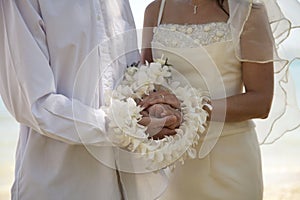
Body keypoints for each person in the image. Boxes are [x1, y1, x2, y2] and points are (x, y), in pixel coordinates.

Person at [0, 0, 181, 199]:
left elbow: (128, 73)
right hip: (61, 185)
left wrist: (155, 108)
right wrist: (123, 127)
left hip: (129, 185)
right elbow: (34, 104)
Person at [140, 0, 299, 199]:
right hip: (174, 162)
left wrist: (191, 109)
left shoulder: (248, 11)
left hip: (231, 159)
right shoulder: (155, 10)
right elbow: (145, 85)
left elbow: (261, 102)